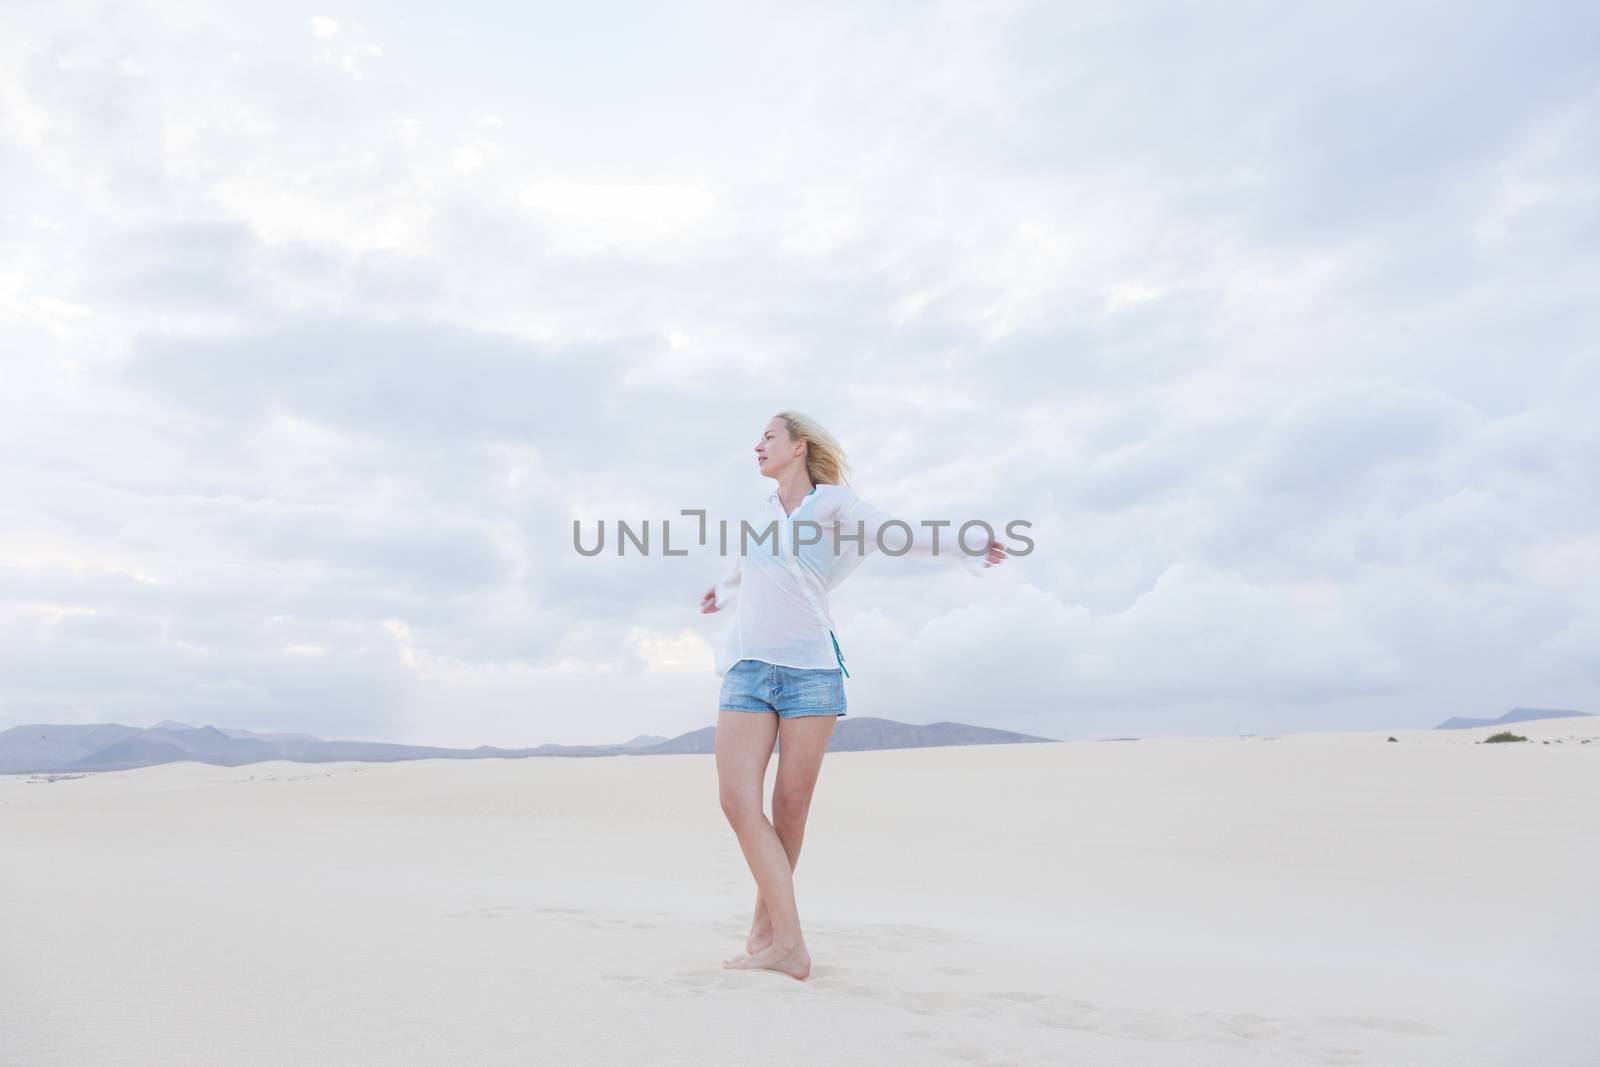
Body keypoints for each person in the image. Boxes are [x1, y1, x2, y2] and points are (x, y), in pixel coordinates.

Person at [698, 410, 1006, 980]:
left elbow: (897, 532)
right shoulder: (763, 514)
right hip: (747, 668)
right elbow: (744, 569)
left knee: (789, 811)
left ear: (798, 447)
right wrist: (720, 591)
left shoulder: (836, 504)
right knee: (738, 801)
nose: (757, 445)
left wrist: (963, 543)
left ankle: (771, 939)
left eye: (769, 436)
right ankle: (787, 943)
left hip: (810, 672)